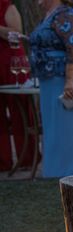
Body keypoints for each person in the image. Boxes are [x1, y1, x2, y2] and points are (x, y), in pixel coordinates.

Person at [29, 0, 73, 177]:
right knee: (57, 134)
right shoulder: (49, 16)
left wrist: (70, 81)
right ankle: (57, 176)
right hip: (51, 83)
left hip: (69, 83)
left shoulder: (65, 14)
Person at [0, 0, 36, 171]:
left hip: (12, 63)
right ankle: (3, 162)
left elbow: (17, 33)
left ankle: (27, 158)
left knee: (19, 109)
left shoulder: (6, 5)